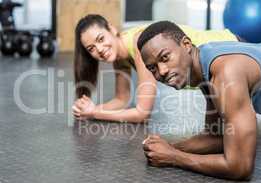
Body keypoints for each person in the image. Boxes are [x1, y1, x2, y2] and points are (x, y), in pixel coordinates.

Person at [137, 21, 261, 180]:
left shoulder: (226, 74)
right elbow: (214, 137)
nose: (162, 71)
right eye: (152, 68)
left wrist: (174, 157)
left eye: (165, 57)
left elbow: (240, 166)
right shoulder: (204, 62)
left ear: (186, 45)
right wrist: (169, 147)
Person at [72, 14, 240, 123]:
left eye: (100, 39)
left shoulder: (137, 44)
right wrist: (91, 109)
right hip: (215, 70)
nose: (99, 49)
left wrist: (94, 113)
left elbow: (142, 113)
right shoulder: (120, 57)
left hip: (232, 50)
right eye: (91, 48)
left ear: (112, 29)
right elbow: (121, 100)